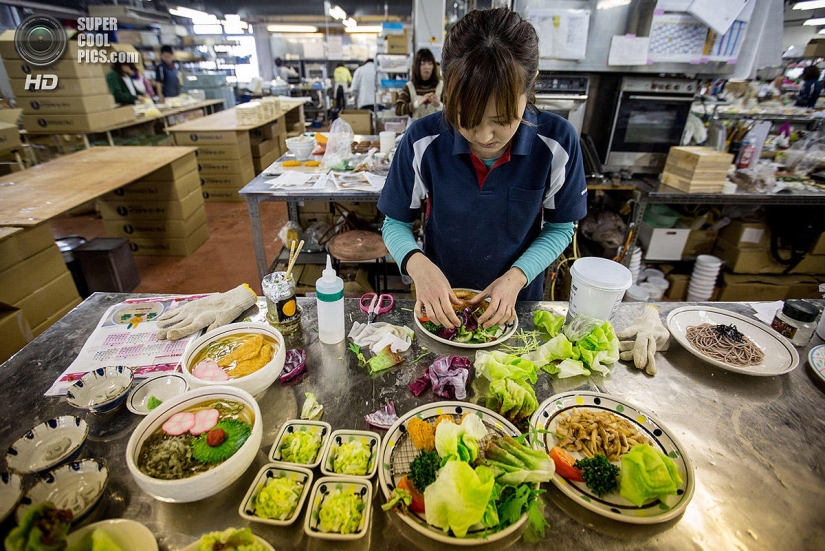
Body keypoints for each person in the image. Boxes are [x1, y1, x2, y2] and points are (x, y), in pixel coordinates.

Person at [377, 8, 587, 330]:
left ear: (530, 86)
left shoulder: (557, 142)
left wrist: (517, 277)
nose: (485, 137)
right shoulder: (422, 140)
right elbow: (395, 222)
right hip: (440, 305)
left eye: (502, 121)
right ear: (447, 90)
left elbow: (560, 228)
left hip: (516, 303)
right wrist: (417, 266)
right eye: (468, 119)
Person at [395, 48, 442, 119]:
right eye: (423, 64)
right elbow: (398, 110)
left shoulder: (441, 86)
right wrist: (417, 103)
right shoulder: (409, 87)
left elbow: (452, 110)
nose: (427, 67)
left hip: (436, 128)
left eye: (430, 63)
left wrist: (439, 105)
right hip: (415, 128)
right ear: (417, 66)